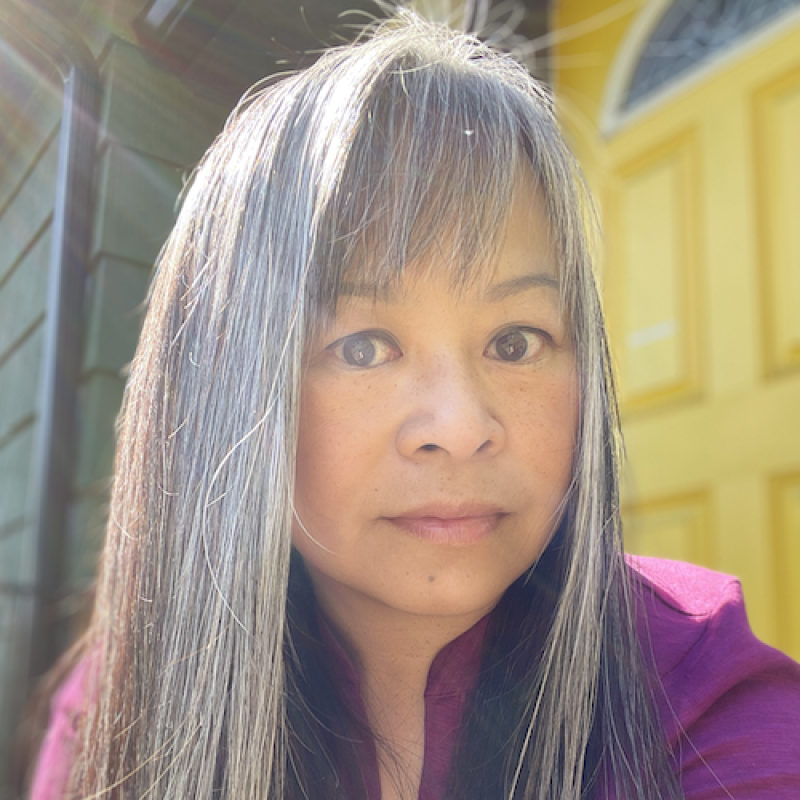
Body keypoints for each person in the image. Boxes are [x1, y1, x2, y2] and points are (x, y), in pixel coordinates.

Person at [28, 12, 800, 800]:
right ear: (228, 389)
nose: (462, 428)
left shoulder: (696, 688)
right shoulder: (116, 709)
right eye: (363, 348)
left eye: (515, 341)